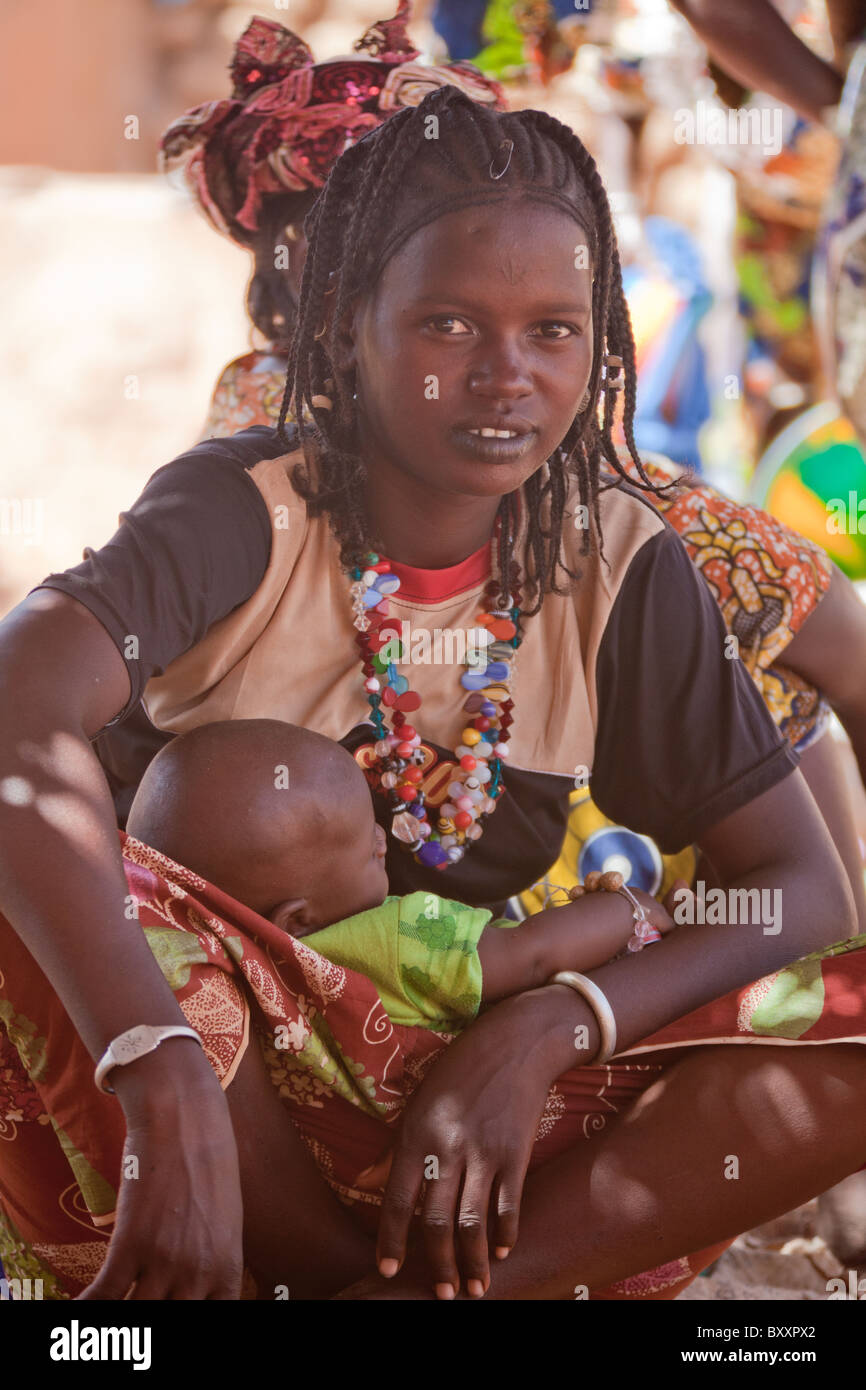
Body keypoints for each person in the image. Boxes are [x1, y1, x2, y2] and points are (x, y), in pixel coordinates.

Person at [3, 87, 866, 1304]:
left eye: (553, 331)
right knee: (60, 872)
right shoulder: (242, 512)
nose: (505, 377)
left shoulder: (614, 560)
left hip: (460, 1138)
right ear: (352, 322)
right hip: (189, 1126)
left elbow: (799, 884)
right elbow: (16, 713)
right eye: (450, 325)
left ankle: (412, 1297)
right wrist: (156, 1059)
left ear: (601, 339)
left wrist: (558, 1021)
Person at [125, 718, 684, 1031]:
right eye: (367, 846)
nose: (381, 840)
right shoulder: (399, 940)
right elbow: (529, 955)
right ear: (296, 920)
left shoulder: (196, 971)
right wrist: (629, 908)